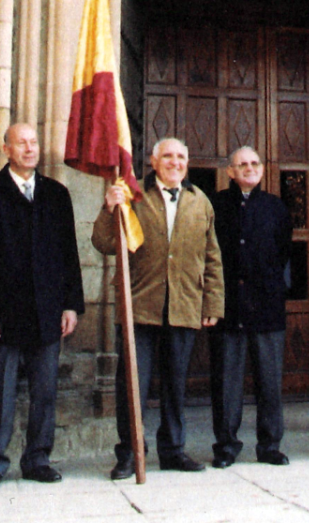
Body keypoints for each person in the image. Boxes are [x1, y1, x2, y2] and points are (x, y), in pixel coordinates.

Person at [92, 137, 224, 480]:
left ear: (187, 162)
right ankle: (130, 453)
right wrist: (109, 207)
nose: (174, 162)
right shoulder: (133, 195)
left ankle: (173, 450)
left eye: (180, 156)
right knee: (132, 386)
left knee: (176, 384)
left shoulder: (200, 201)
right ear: (153, 161)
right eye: (167, 156)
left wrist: (212, 302)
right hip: (140, 306)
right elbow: (104, 242)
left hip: (184, 305)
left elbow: (211, 257)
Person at [0, 123, 84, 489]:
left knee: (45, 392)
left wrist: (71, 305)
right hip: (2, 313)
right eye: (21, 143)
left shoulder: (57, 194)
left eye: (34, 142)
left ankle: (38, 459)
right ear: (6, 149)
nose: (30, 149)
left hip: (47, 311)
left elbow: (69, 253)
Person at [209, 146, 292, 468]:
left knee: (269, 383)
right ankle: (226, 447)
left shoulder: (276, 207)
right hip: (228, 306)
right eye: (242, 164)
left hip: (266, 307)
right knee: (227, 383)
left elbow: (284, 252)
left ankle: (270, 445)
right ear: (230, 171)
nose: (249, 168)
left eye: (255, 163)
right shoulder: (216, 204)